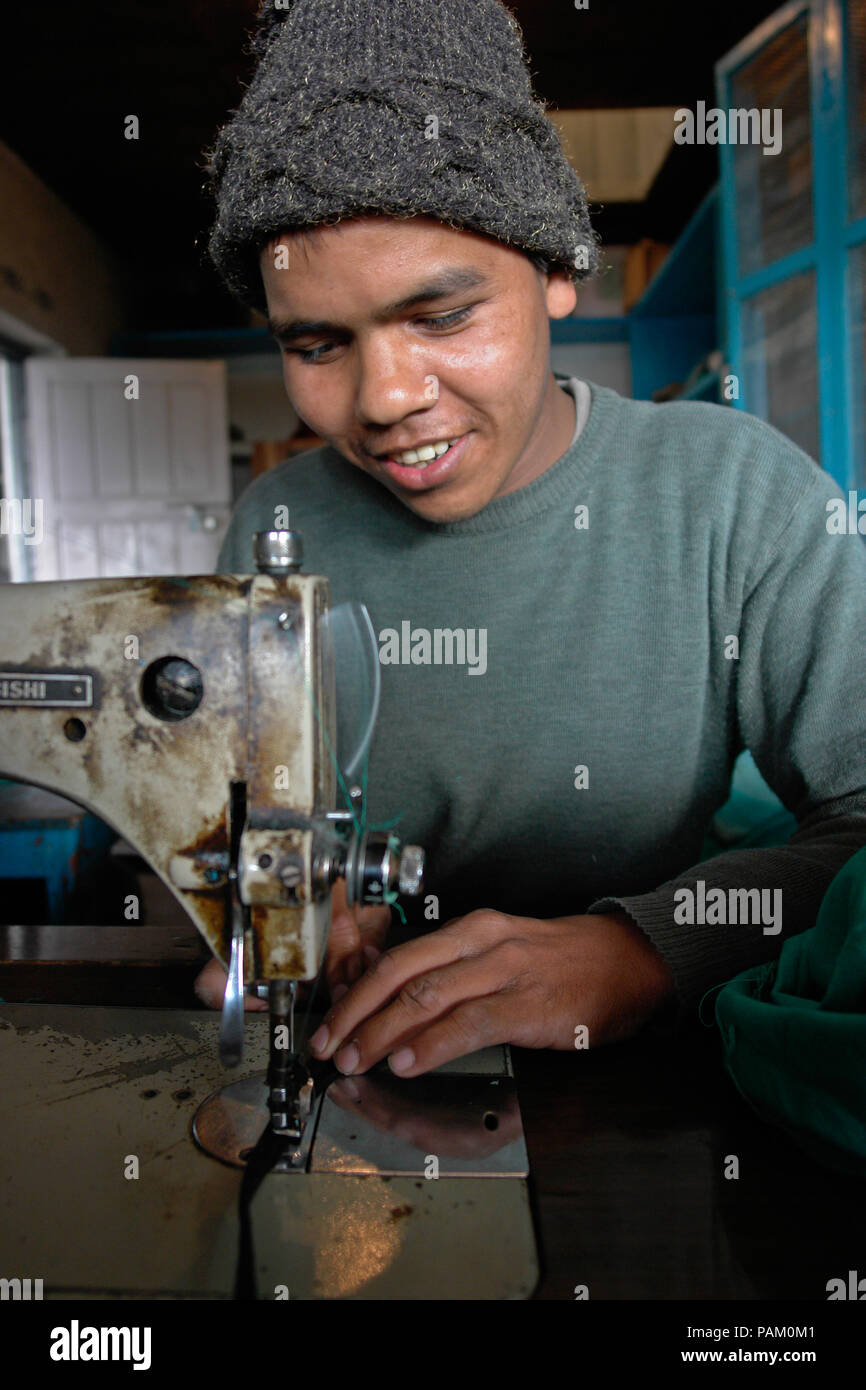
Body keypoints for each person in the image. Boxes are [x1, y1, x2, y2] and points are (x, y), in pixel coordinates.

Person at [194, 0, 866, 1084]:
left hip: (650, 1092)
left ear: (557, 269)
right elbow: (245, 829)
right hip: (370, 1057)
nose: (384, 399)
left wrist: (641, 949)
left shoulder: (731, 494)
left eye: (442, 316)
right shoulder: (275, 529)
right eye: (317, 343)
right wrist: (294, 905)